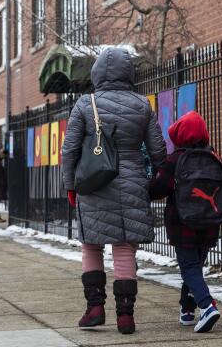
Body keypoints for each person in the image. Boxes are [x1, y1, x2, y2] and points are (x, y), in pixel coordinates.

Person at [61, 47, 167, 335]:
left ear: (96, 73)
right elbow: (158, 150)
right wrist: (160, 175)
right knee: (123, 248)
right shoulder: (141, 104)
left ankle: (94, 308)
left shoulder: (85, 104)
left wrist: (70, 186)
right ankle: (125, 316)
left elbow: (69, 150)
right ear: (128, 73)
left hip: (93, 183)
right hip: (132, 181)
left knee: (91, 245)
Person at [149, 110, 222, 333]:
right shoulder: (216, 158)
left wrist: (146, 182)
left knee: (189, 268)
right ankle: (187, 311)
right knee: (195, 268)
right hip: (210, 224)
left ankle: (207, 306)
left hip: (183, 226)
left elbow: (157, 190)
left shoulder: (175, 160)